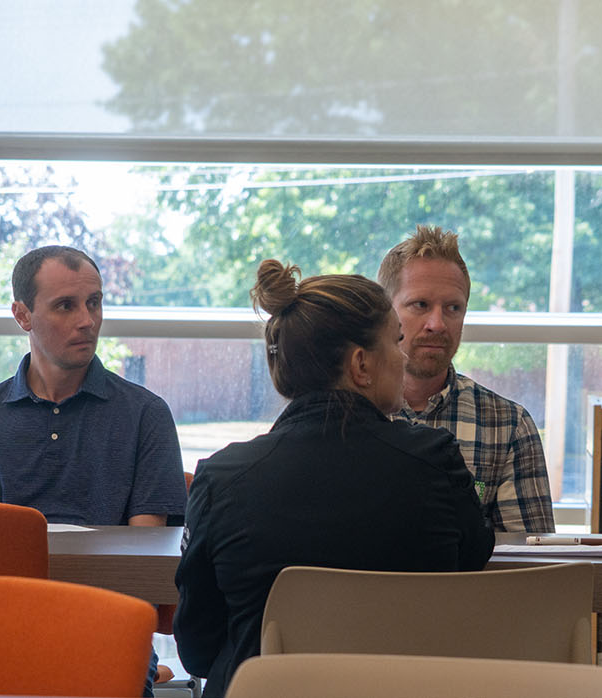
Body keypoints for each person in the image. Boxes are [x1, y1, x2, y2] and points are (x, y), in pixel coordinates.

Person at [174, 260, 494, 697]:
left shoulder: (221, 480)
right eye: (395, 341)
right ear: (361, 364)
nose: (402, 356)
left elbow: (196, 650)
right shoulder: (435, 462)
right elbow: (472, 569)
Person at [0, 245, 187, 526]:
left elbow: (144, 555)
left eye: (94, 303)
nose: (87, 321)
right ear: (23, 315)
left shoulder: (146, 414)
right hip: (8, 572)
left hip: (113, 572)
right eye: (65, 306)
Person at [377, 225, 554, 532]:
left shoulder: (507, 425)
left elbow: (530, 566)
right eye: (420, 305)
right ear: (385, 312)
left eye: (453, 308)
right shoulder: (345, 417)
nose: (437, 323)